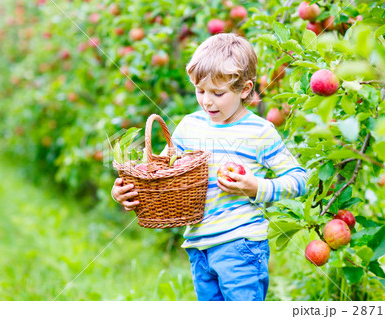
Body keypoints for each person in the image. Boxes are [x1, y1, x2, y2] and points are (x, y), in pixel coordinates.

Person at [111, 33, 308, 301]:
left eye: (218, 93)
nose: (206, 101)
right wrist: (126, 193)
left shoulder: (259, 132)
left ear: (246, 89)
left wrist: (256, 187)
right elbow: (157, 176)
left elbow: (299, 180)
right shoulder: (189, 127)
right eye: (199, 90)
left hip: (241, 246)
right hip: (198, 247)